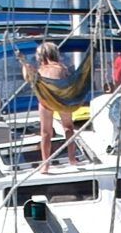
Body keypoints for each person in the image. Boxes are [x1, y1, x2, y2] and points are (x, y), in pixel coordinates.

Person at [25, 40, 89, 168]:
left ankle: (45, 164)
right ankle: (72, 158)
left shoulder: (41, 70)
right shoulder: (62, 68)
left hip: (46, 101)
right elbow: (69, 83)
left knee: (46, 133)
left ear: (41, 56)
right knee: (68, 128)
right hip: (63, 100)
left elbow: (31, 80)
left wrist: (24, 65)